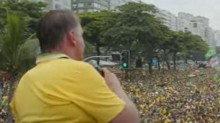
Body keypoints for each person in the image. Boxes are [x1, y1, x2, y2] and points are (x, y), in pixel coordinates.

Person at [10, 10, 139, 123]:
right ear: (73, 38)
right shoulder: (79, 70)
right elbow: (130, 120)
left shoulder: (24, 82)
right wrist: (114, 85)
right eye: (81, 35)